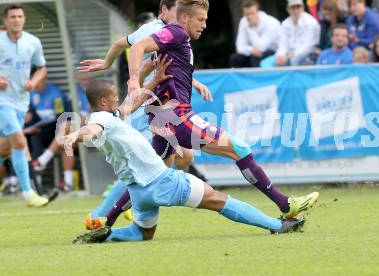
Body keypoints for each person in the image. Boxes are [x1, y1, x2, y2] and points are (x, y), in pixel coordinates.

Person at [113, 0, 319, 229]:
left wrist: (186, 82)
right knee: (239, 149)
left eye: (206, 19)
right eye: (200, 19)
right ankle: (285, 205)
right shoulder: (176, 33)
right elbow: (137, 46)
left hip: (162, 122)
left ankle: (105, 219)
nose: (204, 25)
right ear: (183, 19)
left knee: (149, 175)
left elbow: (155, 65)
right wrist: (134, 80)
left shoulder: (174, 42)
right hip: (177, 119)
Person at [67, 79, 306, 244]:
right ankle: (278, 226)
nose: (118, 99)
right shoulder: (101, 120)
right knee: (218, 200)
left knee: (143, 233)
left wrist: (153, 81)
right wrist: (76, 135)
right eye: (114, 97)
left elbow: (126, 107)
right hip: (162, 181)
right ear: (103, 101)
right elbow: (92, 130)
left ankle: (106, 235)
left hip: (138, 191)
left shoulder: (109, 116)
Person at [79, 0, 209, 226]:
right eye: (177, 10)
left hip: (153, 105)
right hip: (149, 107)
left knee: (181, 157)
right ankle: (104, 212)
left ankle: (130, 205)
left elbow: (121, 44)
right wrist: (135, 80)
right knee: (146, 164)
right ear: (166, 10)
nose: (182, 15)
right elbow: (148, 60)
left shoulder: (169, 32)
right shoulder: (158, 30)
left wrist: (107, 62)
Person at [0, 4, 49, 207]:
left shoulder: (33, 42)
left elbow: (42, 67)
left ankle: (26, 191)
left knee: (7, 148)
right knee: (20, 142)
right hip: (2, 102)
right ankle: (28, 193)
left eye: (20, 16)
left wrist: (35, 80)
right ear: (6, 20)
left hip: (21, 102)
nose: (16, 20)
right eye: (12, 16)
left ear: (24, 19)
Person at [27, 77, 75, 191]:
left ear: (43, 80)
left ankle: (42, 161)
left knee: (67, 140)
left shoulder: (56, 94)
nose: (34, 85)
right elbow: (29, 114)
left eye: (37, 82)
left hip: (55, 128)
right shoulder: (31, 93)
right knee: (34, 138)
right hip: (40, 131)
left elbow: (60, 117)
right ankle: (37, 186)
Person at [229, 0, 280, 68]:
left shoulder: (271, 23)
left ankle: (257, 78)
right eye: (247, 14)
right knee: (235, 58)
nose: (250, 17)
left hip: (275, 53)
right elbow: (239, 47)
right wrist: (250, 50)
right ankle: (242, 78)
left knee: (255, 57)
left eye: (252, 13)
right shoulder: (243, 21)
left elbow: (260, 47)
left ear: (258, 12)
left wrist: (251, 28)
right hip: (255, 52)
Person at [272, 0, 320, 66]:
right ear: (288, 9)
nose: (295, 10)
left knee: (294, 60)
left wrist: (291, 55)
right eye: (292, 8)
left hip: (308, 52)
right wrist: (280, 55)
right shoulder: (285, 23)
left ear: (303, 8)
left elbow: (309, 46)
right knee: (277, 61)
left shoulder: (311, 22)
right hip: (289, 53)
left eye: (298, 7)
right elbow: (283, 44)